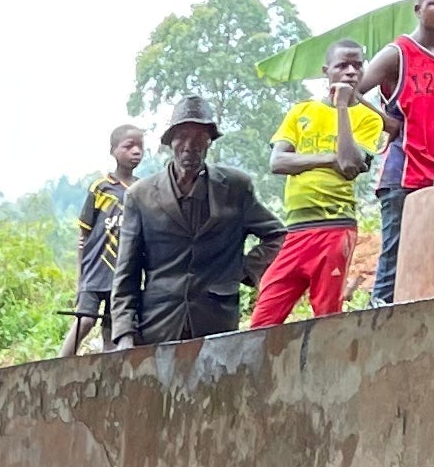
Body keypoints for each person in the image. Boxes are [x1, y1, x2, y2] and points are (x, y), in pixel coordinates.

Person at [109, 90, 284, 347]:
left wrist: (242, 270)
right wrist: (124, 333)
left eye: (199, 136)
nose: (190, 145)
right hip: (159, 324)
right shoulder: (141, 196)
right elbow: (126, 272)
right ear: (170, 142)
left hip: (217, 322)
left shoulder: (235, 187)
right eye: (182, 136)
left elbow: (278, 236)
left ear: (210, 141)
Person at [252, 43, 385, 326]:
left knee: (327, 318)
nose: (350, 71)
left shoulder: (368, 118)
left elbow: (349, 164)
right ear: (327, 71)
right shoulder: (302, 111)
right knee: (264, 317)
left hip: (335, 228)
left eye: (357, 65)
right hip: (297, 232)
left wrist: (341, 107)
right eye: (342, 66)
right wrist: (328, 157)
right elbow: (278, 162)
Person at [365, 0, 434, 303]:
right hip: (403, 175)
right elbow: (347, 90)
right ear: (418, 9)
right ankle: (376, 324)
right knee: (393, 261)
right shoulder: (398, 53)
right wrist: (386, 120)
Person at [66, 124, 145, 352]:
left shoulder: (141, 190)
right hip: (95, 271)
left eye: (140, 147)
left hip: (122, 275)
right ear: (113, 151)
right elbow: (83, 236)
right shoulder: (100, 188)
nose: (136, 151)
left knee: (114, 328)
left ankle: (108, 378)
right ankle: (58, 364)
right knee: (85, 320)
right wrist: (80, 280)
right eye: (128, 146)